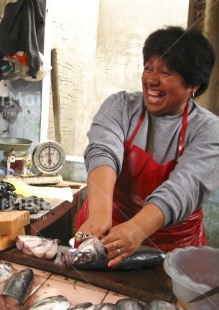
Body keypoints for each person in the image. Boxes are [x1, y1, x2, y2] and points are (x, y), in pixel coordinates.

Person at [74, 26, 218, 268]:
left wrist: (138, 228)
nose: (151, 79)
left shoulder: (209, 129)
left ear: (194, 84)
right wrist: (99, 215)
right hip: (107, 235)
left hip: (174, 247)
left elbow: (186, 186)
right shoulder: (120, 106)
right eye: (149, 68)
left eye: (166, 72)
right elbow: (103, 152)